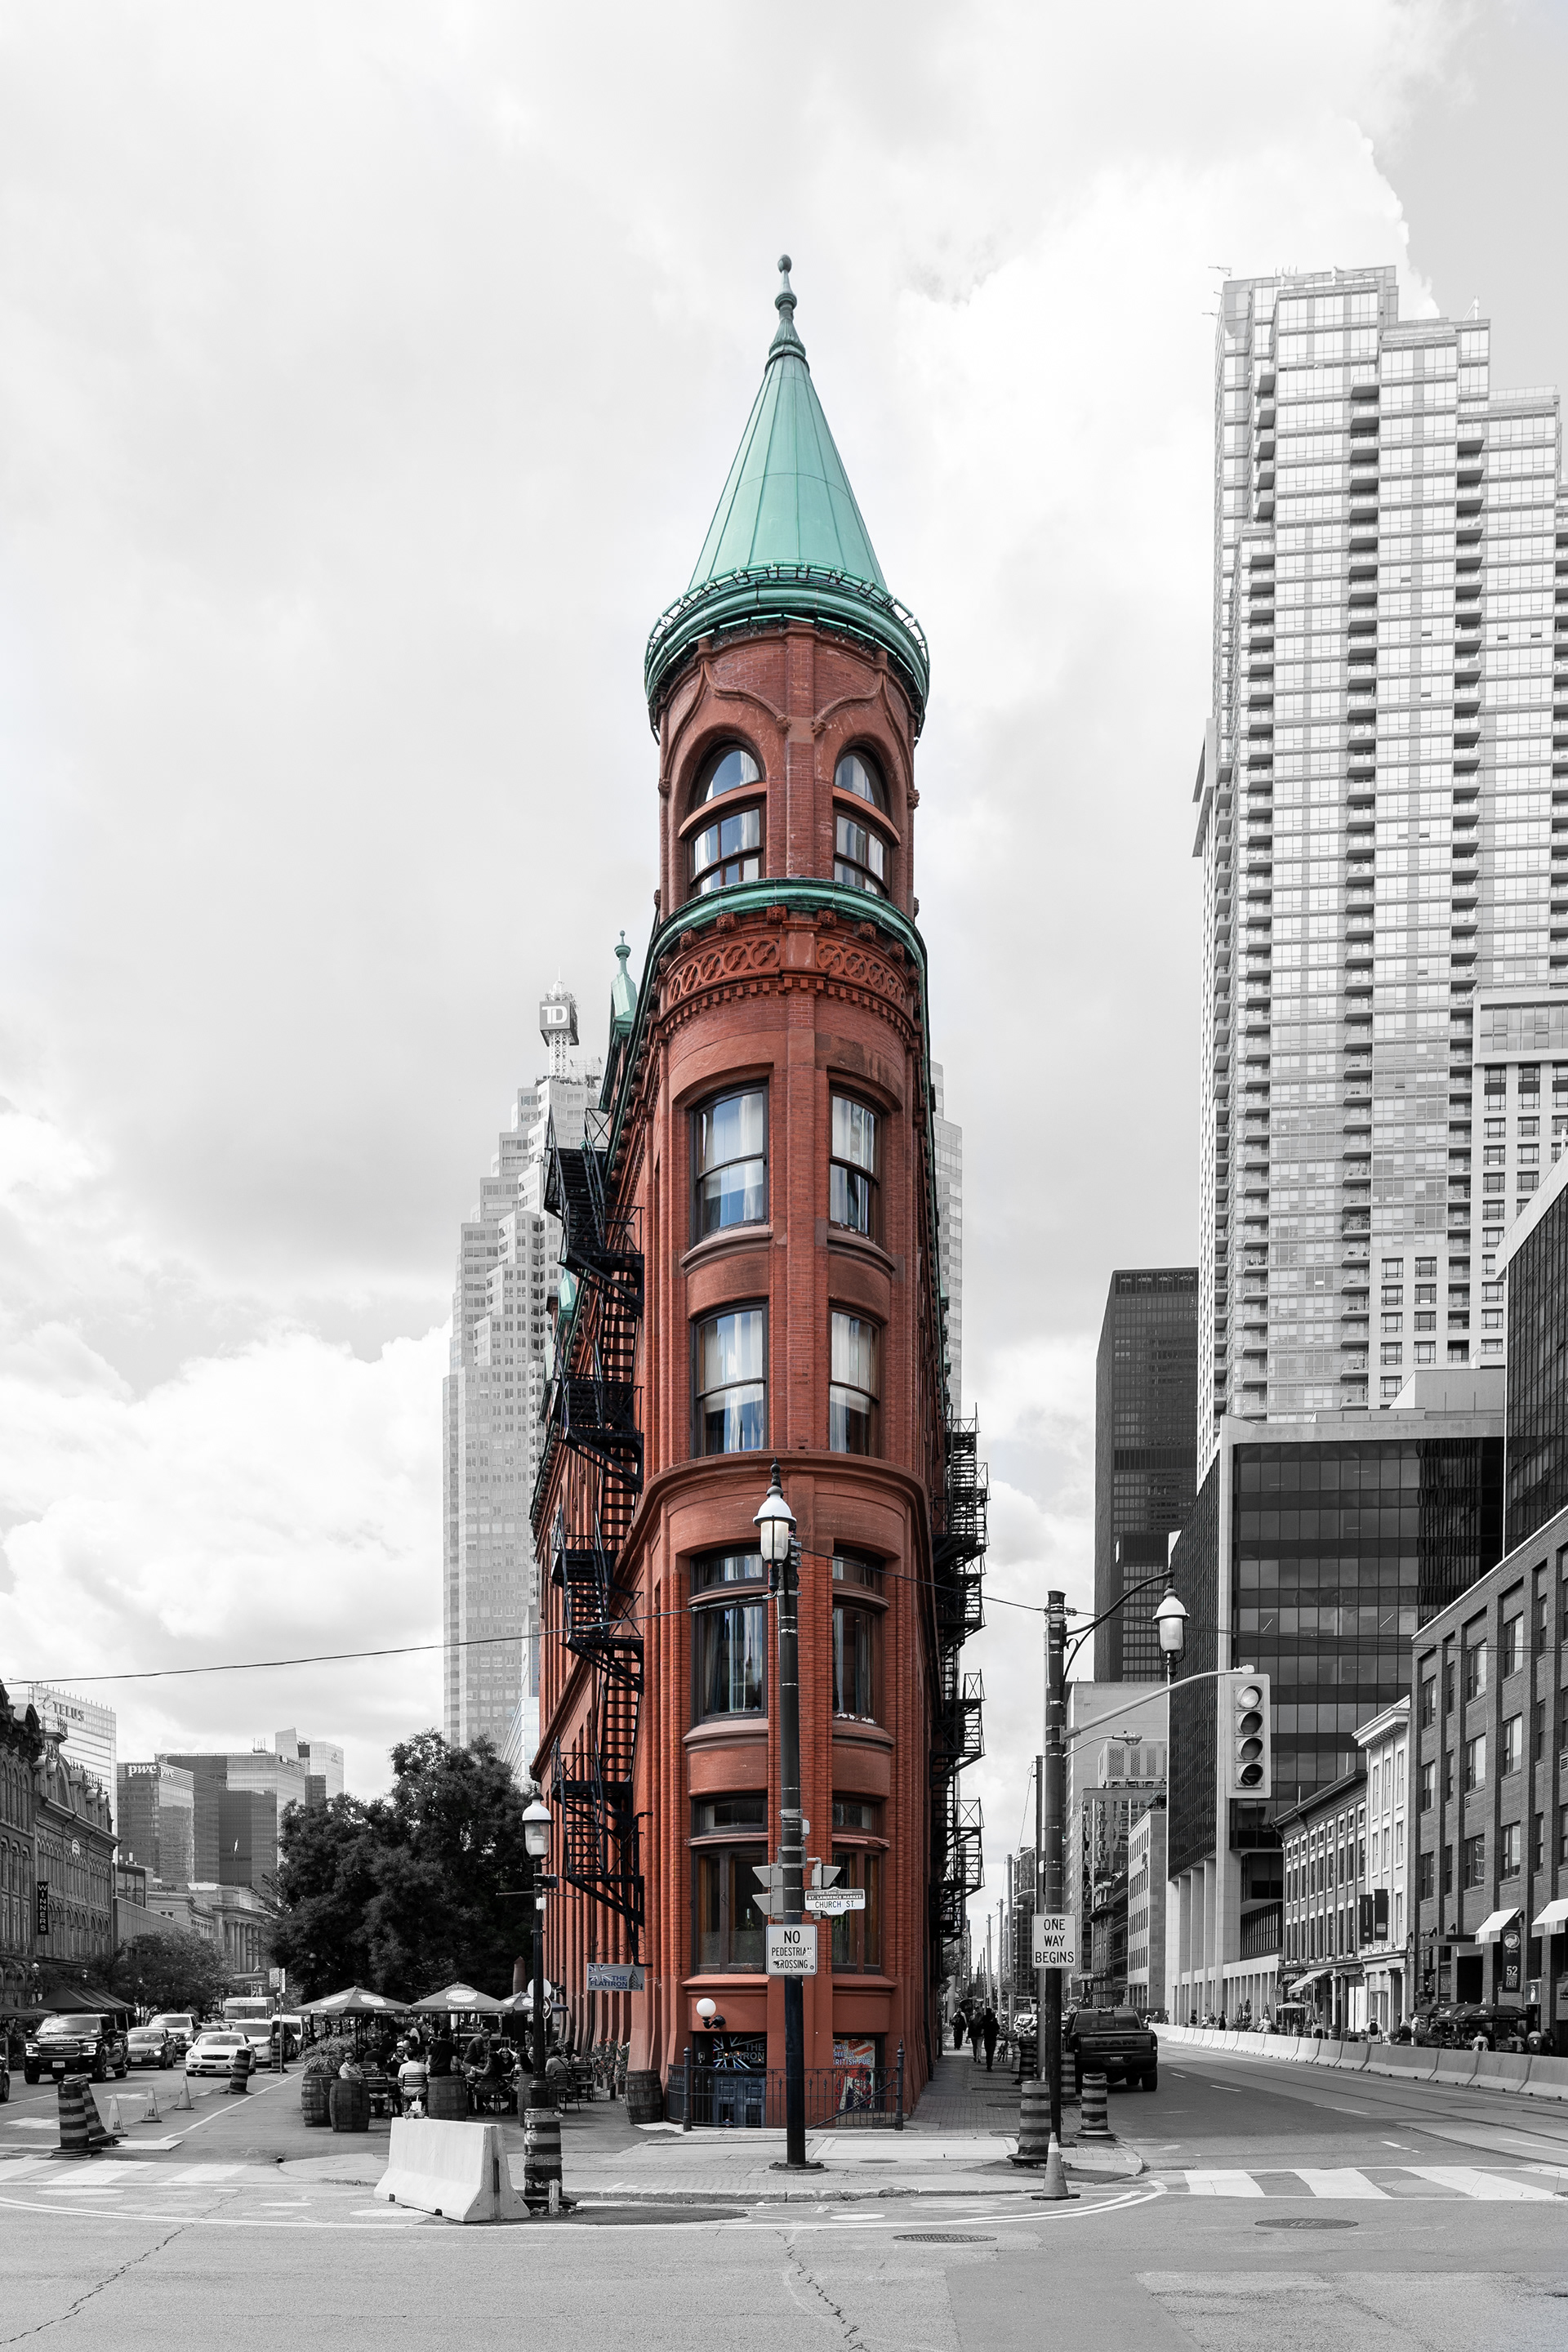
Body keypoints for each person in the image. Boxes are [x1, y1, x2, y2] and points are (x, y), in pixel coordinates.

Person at [981, 2005, 999, 2074]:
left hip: (987, 2039)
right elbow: (999, 2030)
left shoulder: (985, 2021)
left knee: (987, 2052)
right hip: (993, 2039)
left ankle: (988, 2063)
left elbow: (982, 2030)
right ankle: (990, 2065)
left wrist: (983, 2034)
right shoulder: (994, 2023)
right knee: (991, 2052)